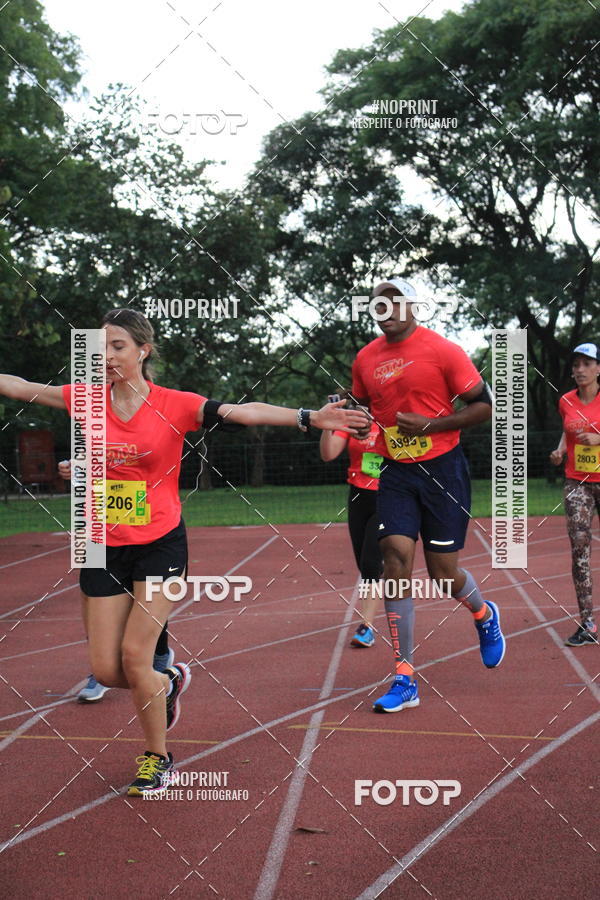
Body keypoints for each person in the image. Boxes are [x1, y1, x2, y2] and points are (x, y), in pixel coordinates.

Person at [0, 308, 368, 793]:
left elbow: (245, 412)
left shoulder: (174, 404)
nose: (107, 356)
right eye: (100, 348)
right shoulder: (85, 400)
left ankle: (157, 756)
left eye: (118, 347)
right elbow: (20, 386)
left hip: (159, 542)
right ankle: (169, 679)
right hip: (100, 544)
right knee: (107, 671)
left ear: (142, 351)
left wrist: (308, 417)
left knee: (135, 658)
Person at [351, 278, 505, 713]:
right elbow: (362, 406)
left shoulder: (443, 350)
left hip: (443, 471)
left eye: (396, 300)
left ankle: (483, 613)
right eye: (380, 302)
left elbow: (484, 406)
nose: (388, 307)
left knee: (443, 573)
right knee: (394, 557)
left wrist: (433, 425)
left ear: (413, 305)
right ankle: (405, 676)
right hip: (396, 471)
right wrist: (358, 421)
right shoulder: (365, 358)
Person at [57, 459, 174, 702]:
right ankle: (100, 672)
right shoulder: (90, 422)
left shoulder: (153, 421)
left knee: (144, 594)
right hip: (98, 524)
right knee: (94, 594)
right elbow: (82, 456)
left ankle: (160, 654)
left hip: (144, 516)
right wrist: (71, 467)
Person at [319, 393, 383, 646]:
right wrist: (326, 423)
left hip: (388, 496)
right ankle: (390, 574)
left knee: (370, 563)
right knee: (364, 562)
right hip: (358, 496)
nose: (363, 408)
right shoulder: (351, 423)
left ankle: (366, 627)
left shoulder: (391, 422)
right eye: (360, 404)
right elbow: (328, 454)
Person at [550, 342, 600, 646]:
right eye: (576, 364)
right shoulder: (566, 401)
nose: (579, 369)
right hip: (577, 482)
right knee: (580, 550)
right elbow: (567, 432)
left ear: (598, 369)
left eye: (586, 364)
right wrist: (560, 449)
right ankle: (588, 623)